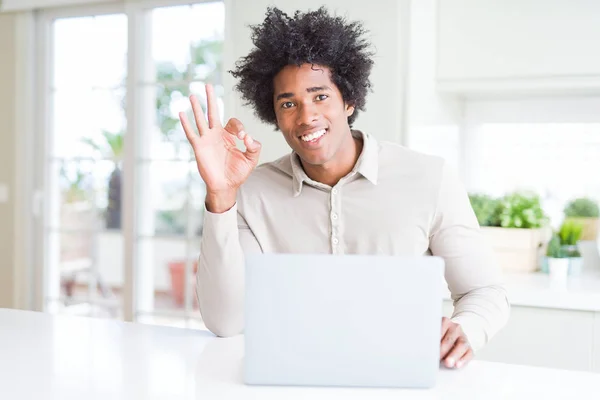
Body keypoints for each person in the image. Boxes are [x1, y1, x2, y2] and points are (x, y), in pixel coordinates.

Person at [179, 7, 510, 370]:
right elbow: (226, 322)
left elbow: (484, 291)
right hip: (292, 377)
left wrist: (467, 329)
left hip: (400, 375)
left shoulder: (429, 177)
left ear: (349, 100)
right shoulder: (252, 191)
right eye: (288, 103)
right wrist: (221, 196)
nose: (306, 116)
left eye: (320, 96)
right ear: (274, 115)